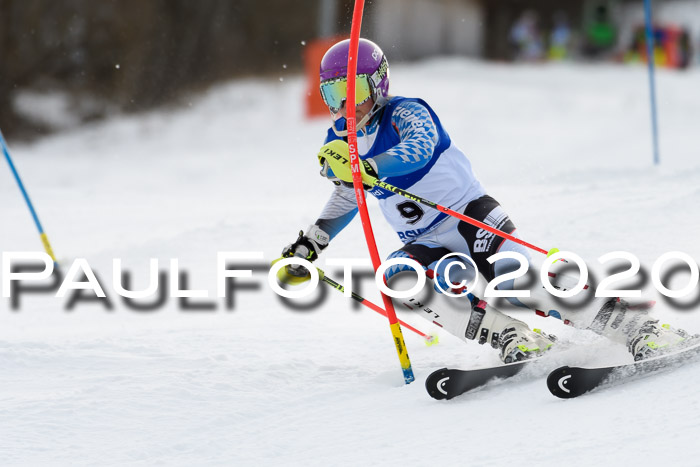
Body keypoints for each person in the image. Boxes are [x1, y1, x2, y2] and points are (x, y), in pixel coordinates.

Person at [279, 38, 693, 363]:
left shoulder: (405, 112)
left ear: (379, 83)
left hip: (467, 215)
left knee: (516, 280)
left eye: (353, 91)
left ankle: (636, 328)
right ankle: (511, 336)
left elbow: (419, 148)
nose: (345, 106)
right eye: (334, 96)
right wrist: (313, 241)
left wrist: (369, 165)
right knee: (398, 278)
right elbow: (347, 194)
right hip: (425, 239)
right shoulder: (341, 138)